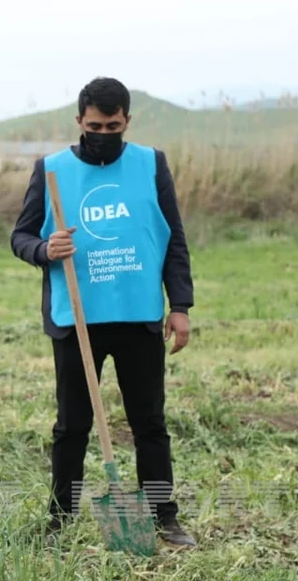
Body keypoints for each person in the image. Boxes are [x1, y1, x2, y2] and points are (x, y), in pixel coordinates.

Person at [10, 77, 197, 548]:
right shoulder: (50, 170)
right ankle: (60, 519)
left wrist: (180, 306)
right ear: (79, 122)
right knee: (71, 426)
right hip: (76, 318)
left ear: (126, 121)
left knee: (149, 422)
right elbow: (20, 237)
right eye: (95, 125)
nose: (104, 133)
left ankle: (164, 516)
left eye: (113, 125)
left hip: (137, 316)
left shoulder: (150, 165)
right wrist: (44, 249)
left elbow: (172, 236)